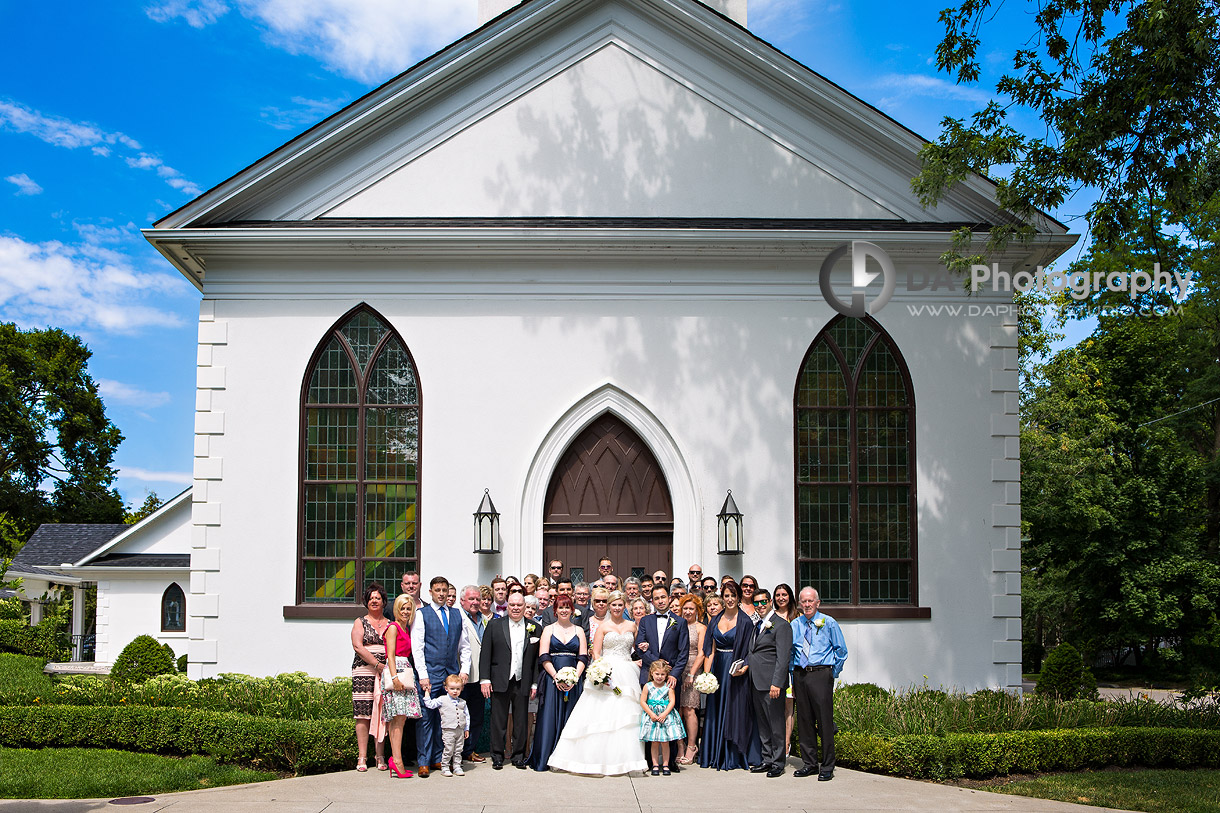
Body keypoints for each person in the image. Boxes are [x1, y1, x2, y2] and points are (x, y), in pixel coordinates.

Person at [549, 591, 648, 775]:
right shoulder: (603, 626)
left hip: (627, 672)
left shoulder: (632, 626)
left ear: (624, 606)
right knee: (600, 714)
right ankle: (594, 760)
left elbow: (637, 649)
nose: (617, 608)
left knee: (626, 716)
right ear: (609, 606)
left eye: (620, 604)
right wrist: (600, 671)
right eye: (614, 604)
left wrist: (641, 654)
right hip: (607, 671)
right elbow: (596, 652)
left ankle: (625, 760)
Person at [413, 576, 472, 776]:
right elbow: (417, 647)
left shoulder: (457, 614)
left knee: (446, 718)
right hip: (430, 673)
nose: (441, 593)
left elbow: (464, 646)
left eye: (444, 590)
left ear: (448, 592)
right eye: (437, 590)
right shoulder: (422, 614)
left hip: (451, 674)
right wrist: (422, 675)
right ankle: (424, 761)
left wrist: (464, 669)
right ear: (430, 592)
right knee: (426, 718)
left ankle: (440, 758)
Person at [700, 579, 760, 771]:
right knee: (716, 710)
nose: (730, 599)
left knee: (734, 710)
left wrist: (746, 667)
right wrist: (707, 674)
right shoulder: (716, 619)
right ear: (722, 597)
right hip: (718, 668)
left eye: (733, 595)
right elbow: (710, 649)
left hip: (737, 671)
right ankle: (713, 754)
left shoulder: (745, 621)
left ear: (739, 597)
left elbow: (752, 650)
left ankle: (733, 755)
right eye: (726, 595)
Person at [790, 587, 848, 781]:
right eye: (803, 601)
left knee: (824, 721)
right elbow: (791, 653)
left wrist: (832, 673)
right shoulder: (795, 624)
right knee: (805, 721)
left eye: (810, 601)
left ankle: (827, 766)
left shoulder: (829, 622)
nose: (806, 605)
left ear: (817, 603)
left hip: (821, 674)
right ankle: (810, 764)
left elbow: (841, 650)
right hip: (800, 674)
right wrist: (792, 676)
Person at [480, 593, 541, 769]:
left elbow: (536, 660)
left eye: (519, 605)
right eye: (512, 604)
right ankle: (497, 755)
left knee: (521, 721)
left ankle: (518, 756)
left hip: (523, 680)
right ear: (508, 606)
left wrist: (535, 683)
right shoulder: (494, 625)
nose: (515, 608)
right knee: (498, 720)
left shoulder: (534, 628)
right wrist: (485, 679)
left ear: (524, 606)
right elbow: (486, 654)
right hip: (500, 679)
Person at [528, 595, 587, 771]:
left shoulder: (579, 631)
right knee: (549, 717)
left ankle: (570, 759)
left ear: (572, 610)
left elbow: (583, 656)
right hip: (552, 679)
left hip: (574, 681)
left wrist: (574, 677)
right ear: (555, 610)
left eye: (567, 607)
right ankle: (547, 757)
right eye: (560, 607)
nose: (563, 610)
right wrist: (556, 677)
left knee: (572, 718)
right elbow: (544, 656)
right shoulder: (548, 630)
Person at [634, 583, 689, 773]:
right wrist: (659, 664)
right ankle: (651, 762)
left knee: (670, 719)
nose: (660, 601)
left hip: (671, 678)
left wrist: (672, 674)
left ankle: (670, 761)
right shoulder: (646, 621)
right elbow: (639, 646)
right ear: (652, 600)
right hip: (650, 676)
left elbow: (684, 652)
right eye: (656, 598)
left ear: (669, 598)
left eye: (663, 597)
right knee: (650, 720)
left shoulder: (679, 622)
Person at [742, 588, 792, 777]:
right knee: (763, 723)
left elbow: (783, 657)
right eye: (756, 603)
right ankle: (767, 759)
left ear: (770, 601)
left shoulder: (781, 625)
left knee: (776, 723)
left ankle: (778, 762)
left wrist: (777, 683)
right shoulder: (757, 626)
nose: (760, 606)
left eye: (763, 602)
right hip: (756, 682)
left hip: (772, 684)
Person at [351, 582, 390, 772]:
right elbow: (358, 646)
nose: (375, 601)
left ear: (384, 602)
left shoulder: (390, 623)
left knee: (382, 714)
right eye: (371, 598)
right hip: (364, 672)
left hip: (385, 673)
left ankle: (380, 756)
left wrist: (387, 668)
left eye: (378, 598)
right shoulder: (360, 622)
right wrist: (376, 664)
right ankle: (362, 757)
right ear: (367, 602)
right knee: (363, 714)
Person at [382, 593, 422, 779]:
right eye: (402, 608)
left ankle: (397, 760)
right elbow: (389, 655)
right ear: (396, 610)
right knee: (396, 718)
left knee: (402, 718)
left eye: (408, 608)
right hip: (397, 671)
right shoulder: (393, 627)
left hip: (405, 670)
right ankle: (396, 761)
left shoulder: (407, 628)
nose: (405, 612)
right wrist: (394, 677)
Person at [639, 659, 685, 776]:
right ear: (652, 673)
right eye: (657, 674)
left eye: (663, 674)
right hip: (653, 717)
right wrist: (651, 714)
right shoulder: (647, 686)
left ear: (666, 675)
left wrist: (664, 714)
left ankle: (665, 764)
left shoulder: (668, 687)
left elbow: (672, 701)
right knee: (654, 742)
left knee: (665, 742)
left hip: (665, 717)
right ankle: (655, 764)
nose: (659, 677)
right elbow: (643, 701)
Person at [458, 585, 488, 764]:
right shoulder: (457, 617)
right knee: (459, 717)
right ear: (463, 601)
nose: (476, 602)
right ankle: (457, 751)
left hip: (480, 676)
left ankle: (470, 750)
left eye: (478, 599)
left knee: (476, 715)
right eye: (472, 599)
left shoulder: (484, 619)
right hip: (462, 676)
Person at [675, 593, 706, 765]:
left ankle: (692, 746)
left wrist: (692, 674)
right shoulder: (678, 625)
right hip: (676, 669)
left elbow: (702, 653)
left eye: (691, 609)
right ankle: (680, 745)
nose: (687, 611)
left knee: (689, 709)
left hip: (692, 668)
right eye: (685, 608)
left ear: (697, 611)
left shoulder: (701, 628)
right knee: (677, 709)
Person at [422, 675, 470, 777]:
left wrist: (466, 728)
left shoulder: (462, 702)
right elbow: (430, 704)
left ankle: (457, 766)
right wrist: (427, 693)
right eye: (452, 689)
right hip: (448, 730)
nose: (455, 691)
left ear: (461, 689)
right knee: (448, 749)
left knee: (458, 749)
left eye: (457, 689)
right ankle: (445, 766)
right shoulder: (442, 699)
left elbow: (467, 716)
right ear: (446, 688)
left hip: (460, 729)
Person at [771, 583, 799, 755]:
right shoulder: (771, 617)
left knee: (789, 706)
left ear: (790, 597)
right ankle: (776, 742)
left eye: (784, 594)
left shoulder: (797, 616)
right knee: (776, 706)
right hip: (776, 666)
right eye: (778, 595)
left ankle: (787, 742)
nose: (781, 598)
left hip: (792, 666)